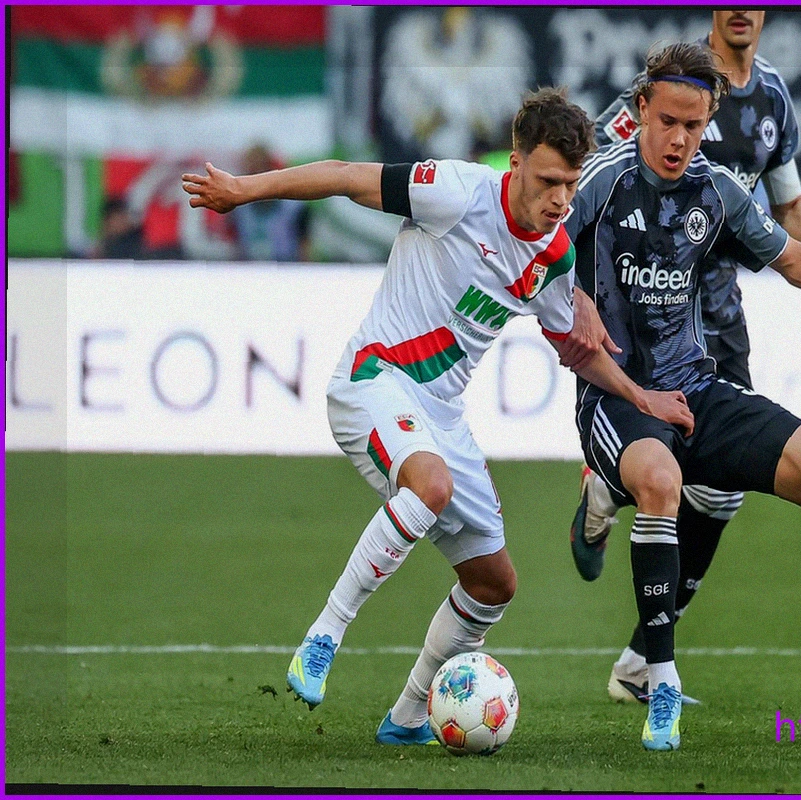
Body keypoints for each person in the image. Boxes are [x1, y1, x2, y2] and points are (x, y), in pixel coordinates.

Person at [182, 88, 693, 746]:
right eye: (547, 182)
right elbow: (348, 175)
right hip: (375, 379)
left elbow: (573, 346)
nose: (561, 200)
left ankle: (406, 719)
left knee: (493, 583)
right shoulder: (458, 192)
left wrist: (641, 397)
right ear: (515, 163)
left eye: (570, 185)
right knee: (430, 486)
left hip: (441, 415)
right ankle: (324, 636)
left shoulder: (555, 253)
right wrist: (242, 190)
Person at [563, 42, 801, 750]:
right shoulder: (603, 179)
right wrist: (573, 298)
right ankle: (658, 682)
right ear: (641, 111)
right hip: (616, 396)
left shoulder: (718, 189)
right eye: (667, 121)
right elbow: (537, 249)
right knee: (661, 481)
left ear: (708, 122)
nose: (679, 139)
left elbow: (791, 257)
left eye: (693, 125)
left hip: (694, 387)